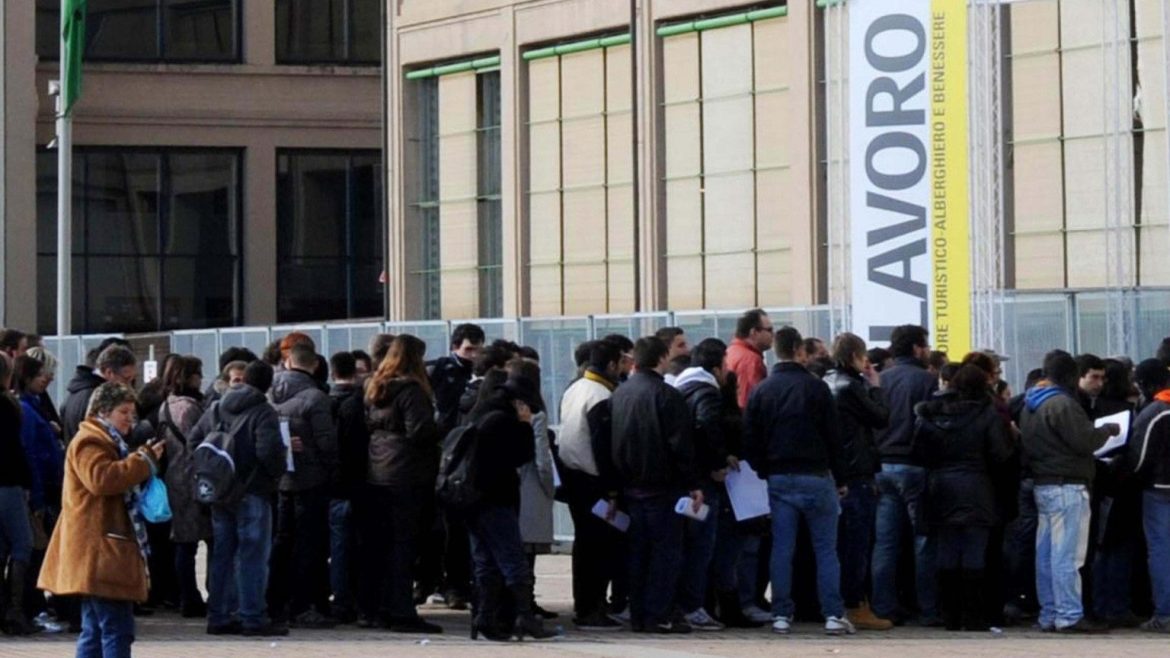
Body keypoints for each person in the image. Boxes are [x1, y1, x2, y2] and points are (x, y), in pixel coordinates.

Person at [38, 382, 165, 658]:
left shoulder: (108, 440)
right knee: (116, 629)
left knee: (95, 629)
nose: (129, 419)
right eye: (123, 412)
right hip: (99, 550)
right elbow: (101, 480)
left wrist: (140, 460)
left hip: (101, 549)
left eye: (132, 413)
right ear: (103, 411)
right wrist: (143, 462)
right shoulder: (91, 440)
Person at [743, 326, 852, 636]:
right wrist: (841, 477)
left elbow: (750, 437)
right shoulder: (816, 388)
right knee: (825, 549)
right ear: (800, 351)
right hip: (816, 475)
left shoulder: (762, 390)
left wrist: (764, 469)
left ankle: (781, 614)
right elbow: (834, 436)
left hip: (778, 478)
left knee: (782, 548)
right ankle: (833, 614)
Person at [1021, 349, 1120, 633]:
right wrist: (1107, 430)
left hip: (1043, 483)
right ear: (1070, 375)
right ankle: (1069, 615)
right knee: (1068, 555)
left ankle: (1049, 613)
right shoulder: (1063, 404)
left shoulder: (1031, 403)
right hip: (1068, 486)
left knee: (1046, 555)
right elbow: (1086, 441)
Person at [912, 364, 1014, 631]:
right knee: (974, 551)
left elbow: (918, 452)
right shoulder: (987, 414)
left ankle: (949, 615)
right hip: (977, 487)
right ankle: (973, 615)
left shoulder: (930, 413)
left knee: (946, 550)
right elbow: (1000, 454)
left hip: (940, 487)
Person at [190, 360, 288, 637]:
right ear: (268, 384)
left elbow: (194, 440)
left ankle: (219, 615)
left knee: (222, 553)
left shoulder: (216, 406)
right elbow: (269, 452)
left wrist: (212, 472)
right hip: (251, 490)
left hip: (220, 492)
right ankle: (252, 617)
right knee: (253, 555)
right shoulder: (263, 411)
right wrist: (273, 476)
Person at [611, 337, 702, 634]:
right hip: (663, 488)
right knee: (665, 555)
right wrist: (692, 483)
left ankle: (638, 613)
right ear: (662, 358)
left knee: (638, 553)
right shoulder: (666, 395)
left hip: (629, 485)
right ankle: (657, 613)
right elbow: (680, 445)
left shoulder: (620, 393)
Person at [358, 335, 443, 634]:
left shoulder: (375, 387)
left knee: (381, 545)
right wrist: (442, 428)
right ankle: (402, 611)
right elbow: (419, 431)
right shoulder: (411, 391)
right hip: (407, 473)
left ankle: (378, 608)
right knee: (404, 545)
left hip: (379, 469)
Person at [465, 370, 555, 641]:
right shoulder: (503, 420)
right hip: (496, 498)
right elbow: (521, 456)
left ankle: (483, 618)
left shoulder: (481, 412)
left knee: (485, 562)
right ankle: (525, 617)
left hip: (471, 499)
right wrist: (525, 425)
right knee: (514, 560)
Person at [822, 333, 892, 631]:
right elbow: (881, 417)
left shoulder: (826, 381)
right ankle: (855, 604)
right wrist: (875, 388)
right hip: (856, 471)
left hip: (835, 471)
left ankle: (836, 603)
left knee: (836, 544)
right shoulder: (851, 387)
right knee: (858, 543)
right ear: (855, 356)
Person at [871, 324, 940, 626]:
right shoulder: (927, 380)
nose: (928, 351)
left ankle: (883, 606)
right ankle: (928, 608)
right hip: (914, 465)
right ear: (916, 348)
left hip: (883, 466)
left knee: (885, 542)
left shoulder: (881, 380)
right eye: (925, 345)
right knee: (922, 540)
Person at [557, 339, 624, 631]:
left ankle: (586, 604)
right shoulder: (600, 395)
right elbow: (602, 447)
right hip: (593, 481)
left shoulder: (575, 388)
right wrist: (612, 490)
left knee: (585, 546)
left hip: (573, 476)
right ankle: (591, 608)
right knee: (598, 548)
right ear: (610, 365)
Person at [268, 344, 338, 628]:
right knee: (309, 543)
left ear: (287, 362)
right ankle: (304, 604)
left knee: (282, 540)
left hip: (281, 478)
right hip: (311, 478)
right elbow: (326, 442)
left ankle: (277, 601)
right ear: (314, 365)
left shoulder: (269, 393)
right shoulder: (316, 397)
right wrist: (331, 469)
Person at [673, 338, 736, 631]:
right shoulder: (707, 392)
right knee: (701, 546)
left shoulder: (679, 388)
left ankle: (682, 602)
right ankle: (692, 606)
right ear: (716, 367)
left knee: (684, 544)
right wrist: (718, 463)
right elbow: (708, 426)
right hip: (702, 482)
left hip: (683, 477)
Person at [424, 323, 484, 610]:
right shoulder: (442, 371)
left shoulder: (476, 375)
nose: (473, 355)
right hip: (446, 450)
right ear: (455, 347)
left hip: (463, 451)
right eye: (469, 349)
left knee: (459, 528)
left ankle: (457, 583)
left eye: (477, 350)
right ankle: (445, 583)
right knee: (447, 528)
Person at [155, 356, 210, 618]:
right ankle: (194, 597)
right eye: (198, 373)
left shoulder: (166, 406)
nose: (201, 378)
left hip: (174, 478)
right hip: (193, 479)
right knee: (200, 541)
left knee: (183, 542)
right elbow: (199, 443)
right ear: (188, 377)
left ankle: (186, 597)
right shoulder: (190, 408)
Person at [12, 356, 66, 622]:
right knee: (35, 548)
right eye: (40, 374)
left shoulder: (33, 406)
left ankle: (31, 607)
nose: (47, 378)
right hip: (41, 490)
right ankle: (28, 607)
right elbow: (30, 454)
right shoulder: (26, 409)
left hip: (44, 487)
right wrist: (38, 497)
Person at [510, 357, 558, 621]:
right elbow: (542, 457)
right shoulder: (536, 414)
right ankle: (526, 602)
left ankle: (518, 602)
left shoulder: (503, 407)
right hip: (530, 487)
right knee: (528, 552)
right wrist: (550, 488)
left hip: (508, 485)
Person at [1127, 358, 1170, 632]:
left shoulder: (1155, 412)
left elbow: (1139, 457)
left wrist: (1131, 478)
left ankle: (1165, 614)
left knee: (1161, 550)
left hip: (1159, 490)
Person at [0, 353, 37, 636]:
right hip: (8, 482)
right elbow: (14, 448)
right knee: (23, 544)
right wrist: (28, 483)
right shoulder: (7, 406)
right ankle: (15, 611)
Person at [326, 351, 361, 623]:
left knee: (337, 546)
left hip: (330, 483)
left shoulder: (324, 402)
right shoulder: (359, 404)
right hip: (357, 482)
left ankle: (340, 599)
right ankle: (354, 599)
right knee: (355, 545)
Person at [60, 342, 137, 446]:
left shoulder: (74, 394)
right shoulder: (101, 397)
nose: (128, 386)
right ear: (109, 373)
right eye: (126, 379)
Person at [726, 309, 773, 410]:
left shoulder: (731, 351)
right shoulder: (751, 360)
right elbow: (748, 402)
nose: (773, 334)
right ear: (754, 332)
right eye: (769, 330)